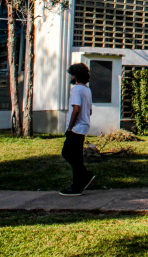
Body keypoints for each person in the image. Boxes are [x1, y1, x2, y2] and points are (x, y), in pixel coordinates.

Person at [60, 63, 95, 196]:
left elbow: (76, 109)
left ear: (76, 76)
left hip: (75, 128)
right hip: (84, 126)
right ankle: (77, 186)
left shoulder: (76, 89)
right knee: (76, 157)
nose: (71, 77)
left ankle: (85, 176)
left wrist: (70, 127)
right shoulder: (87, 90)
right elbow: (89, 111)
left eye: (72, 75)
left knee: (67, 154)